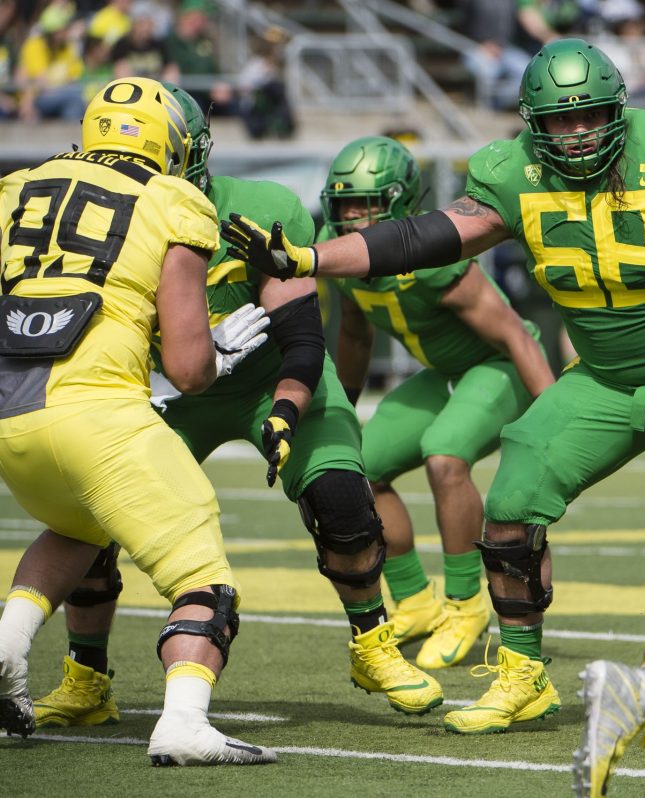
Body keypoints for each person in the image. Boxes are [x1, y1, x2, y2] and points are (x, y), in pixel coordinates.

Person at [221, 37, 645, 736]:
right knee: (513, 502)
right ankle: (524, 675)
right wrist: (310, 256)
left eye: (589, 118)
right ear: (534, 125)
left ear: (617, 112)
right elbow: (418, 238)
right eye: (560, 121)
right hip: (606, 381)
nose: (577, 134)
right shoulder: (516, 174)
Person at [31, 86, 443, 731]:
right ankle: (86, 677)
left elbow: (304, 336)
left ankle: (375, 644)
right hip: (172, 389)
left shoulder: (259, 208)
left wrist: (285, 408)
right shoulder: (106, 219)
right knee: (94, 515)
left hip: (267, 378)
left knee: (341, 500)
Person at [0, 76, 273, 765]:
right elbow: (186, 369)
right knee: (202, 579)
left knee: (77, 524)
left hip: (9, 415)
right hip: (95, 412)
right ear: (174, 144)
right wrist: (221, 355)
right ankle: (184, 720)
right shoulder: (175, 198)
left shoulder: (18, 187)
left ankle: (5, 647)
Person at [321, 135, 555, 670]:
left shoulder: (433, 259)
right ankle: (416, 601)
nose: (354, 217)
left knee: (445, 458)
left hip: (498, 366)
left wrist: (552, 419)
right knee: (359, 466)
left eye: (368, 204)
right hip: (447, 371)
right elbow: (355, 335)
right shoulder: (341, 254)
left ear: (400, 205)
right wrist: (344, 410)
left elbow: (515, 336)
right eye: (344, 204)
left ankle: (465, 603)